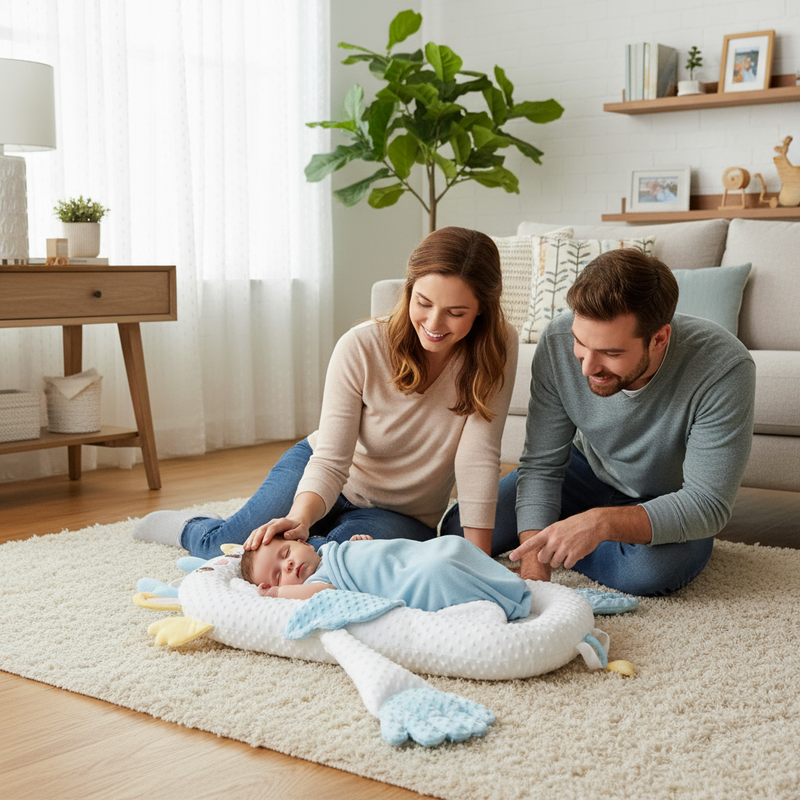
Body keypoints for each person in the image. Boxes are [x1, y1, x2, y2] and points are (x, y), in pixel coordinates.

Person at [133, 226, 518, 560]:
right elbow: (332, 458)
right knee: (232, 549)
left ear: (482, 310)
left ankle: (327, 529)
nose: (434, 323)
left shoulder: (498, 346)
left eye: (455, 312)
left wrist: (477, 558)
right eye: (424, 303)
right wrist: (300, 517)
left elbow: (478, 454)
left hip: (402, 513)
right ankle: (192, 527)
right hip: (324, 471)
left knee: (333, 562)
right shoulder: (362, 346)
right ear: (409, 290)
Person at [502, 248, 756, 596]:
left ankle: (578, 532)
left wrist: (600, 524)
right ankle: (568, 533)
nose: (587, 367)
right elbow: (542, 464)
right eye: (581, 342)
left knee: (646, 571)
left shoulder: (724, 367)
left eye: (611, 352)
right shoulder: (557, 338)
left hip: (667, 495)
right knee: (463, 526)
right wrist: (533, 563)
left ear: (659, 339)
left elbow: (706, 503)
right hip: (587, 471)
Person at [238, 532, 532, 621]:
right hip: (413, 577)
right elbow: (316, 596)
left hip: (413, 554)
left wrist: (361, 544)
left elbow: (387, 553)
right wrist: (275, 594)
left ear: (303, 543)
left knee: (451, 547)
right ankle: (496, 593)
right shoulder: (320, 582)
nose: (289, 566)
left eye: (286, 554)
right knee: (437, 572)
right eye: (279, 576)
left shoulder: (332, 551)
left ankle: (490, 575)